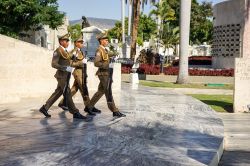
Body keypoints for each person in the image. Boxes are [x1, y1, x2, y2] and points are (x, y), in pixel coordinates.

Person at [38, 33, 91, 121]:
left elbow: (68, 62)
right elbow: (53, 64)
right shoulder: (58, 51)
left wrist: (72, 63)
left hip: (66, 75)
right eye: (66, 41)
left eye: (68, 41)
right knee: (68, 93)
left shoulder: (65, 51)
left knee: (58, 92)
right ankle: (75, 112)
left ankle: (45, 108)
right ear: (61, 41)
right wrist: (65, 68)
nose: (68, 42)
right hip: (61, 76)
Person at [84, 31, 126, 118]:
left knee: (100, 91)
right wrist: (107, 65)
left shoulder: (104, 50)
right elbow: (96, 63)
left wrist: (115, 53)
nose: (107, 41)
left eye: (107, 40)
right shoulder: (99, 50)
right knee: (108, 92)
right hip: (104, 74)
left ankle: (89, 107)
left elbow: (107, 55)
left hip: (106, 73)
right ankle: (114, 110)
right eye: (106, 40)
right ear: (101, 41)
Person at [58, 36, 101, 116]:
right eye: (80, 42)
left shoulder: (80, 51)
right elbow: (69, 63)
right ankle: (89, 107)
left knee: (74, 89)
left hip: (82, 73)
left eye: (82, 42)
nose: (82, 44)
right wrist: (79, 63)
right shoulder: (74, 52)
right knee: (84, 90)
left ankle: (62, 102)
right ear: (76, 43)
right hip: (78, 73)